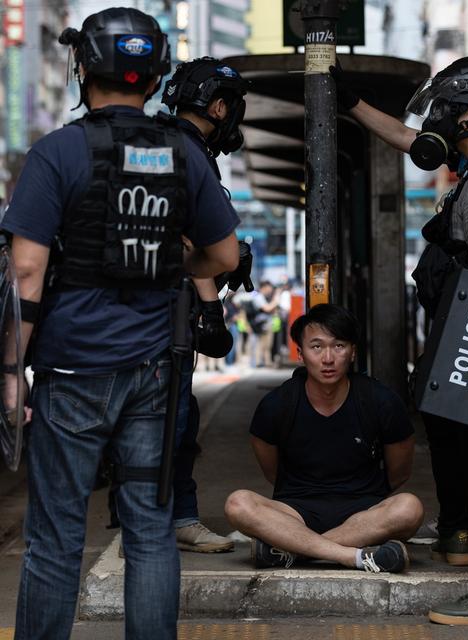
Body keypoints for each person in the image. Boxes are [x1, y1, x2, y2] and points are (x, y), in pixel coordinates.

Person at [2, 8, 240, 639]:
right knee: (151, 532)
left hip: (73, 369)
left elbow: (26, 273)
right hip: (156, 372)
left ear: (83, 68)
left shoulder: (55, 154)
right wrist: (168, 262)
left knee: (55, 536)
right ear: (154, 73)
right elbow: (225, 256)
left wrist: (9, 372)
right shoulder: (184, 155)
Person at [333, 57, 468, 624]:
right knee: (464, 442)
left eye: (446, 109)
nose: (438, 119)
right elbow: (414, 142)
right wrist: (351, 104)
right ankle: (462, 539)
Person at [224, 304, 423, 573]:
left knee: (409, 508)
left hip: (363, 513)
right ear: (300, 354)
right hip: (294, 512)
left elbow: (399, 472)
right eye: (316, 347)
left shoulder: (381, 401)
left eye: (338, 346)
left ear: (352, 352)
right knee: (238, 503)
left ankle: (291, 552)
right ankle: (352, 556)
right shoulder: (277, 405)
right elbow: (272, 471)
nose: (327, 358)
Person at [160, 57, 251, 552]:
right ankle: (169, 522)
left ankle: (164, 518)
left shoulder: (155, 141)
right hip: (164, 316)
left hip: (125, 315)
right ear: (218, 107)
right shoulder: (188, 151)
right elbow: (194, 241)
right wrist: (211, 303)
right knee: (172, 423)